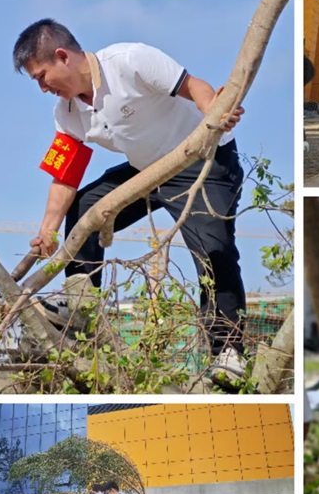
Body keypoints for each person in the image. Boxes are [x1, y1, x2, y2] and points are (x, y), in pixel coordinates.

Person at [12, 19, 247, 384]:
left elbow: (195, 87)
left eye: (42, 77)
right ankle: (80, 304)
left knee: (213, 250)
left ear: (62, 57)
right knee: (86, 207)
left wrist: (215, 116)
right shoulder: (65, 114)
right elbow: (65, 177)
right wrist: (47, 231)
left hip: (204, 161)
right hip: (146, 171)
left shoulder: (130, 60)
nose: (43, 88)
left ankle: (228, 351)